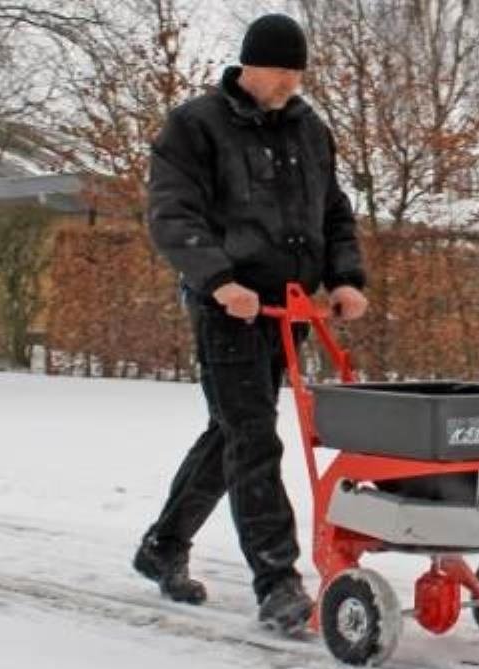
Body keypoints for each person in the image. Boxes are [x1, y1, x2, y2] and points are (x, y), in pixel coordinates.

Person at [132, 13, 368, 635]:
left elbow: (334, 212)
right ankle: (277, 583)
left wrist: (345, 278)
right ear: (249, 66)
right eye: (281, 71)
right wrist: (218, 279)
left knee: (232, 434)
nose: (291, 82)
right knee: (254, 438)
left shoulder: (309, 129)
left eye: (298, 72)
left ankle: (162, 546)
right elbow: (173, 214)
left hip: (287, 309)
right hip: (228, 308)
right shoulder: (195, 126)